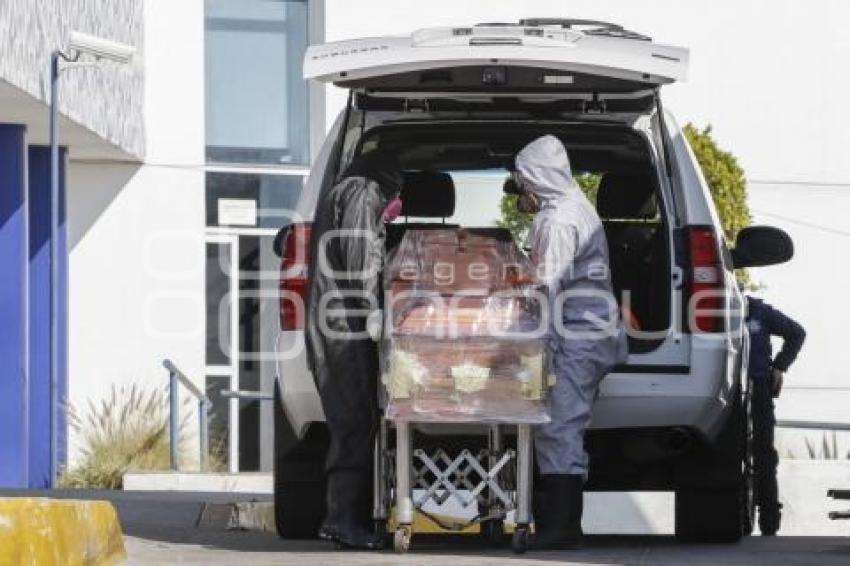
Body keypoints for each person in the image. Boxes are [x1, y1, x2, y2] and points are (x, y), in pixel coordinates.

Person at [512, 135, 628, 549]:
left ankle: (562, 528)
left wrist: (505, 297)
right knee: (565, 426)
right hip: (587, 331)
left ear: (536, 179)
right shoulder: (574, 207)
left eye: (521, 180)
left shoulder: (558, 219)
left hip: (577, 336)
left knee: (561, 427)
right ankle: (561, 523)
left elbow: (545, 284)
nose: (519, 191)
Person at [304, 150, 403, 550]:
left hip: (342, 324)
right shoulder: (362, 193)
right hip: (344, 328)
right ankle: (342, 521)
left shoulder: (348, 189)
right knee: (354, 422)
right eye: (399, 191)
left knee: (356, 420)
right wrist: (373, 311)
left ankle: (349, 518)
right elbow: (360, 263)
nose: (397, 203)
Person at [746, 295, 806, 536]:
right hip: (722, 390)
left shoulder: (758, 310)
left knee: (764, 454)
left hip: (758, 386)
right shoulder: (710, 306)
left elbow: (797, 333)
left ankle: (769, 521)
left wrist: (780, 366)